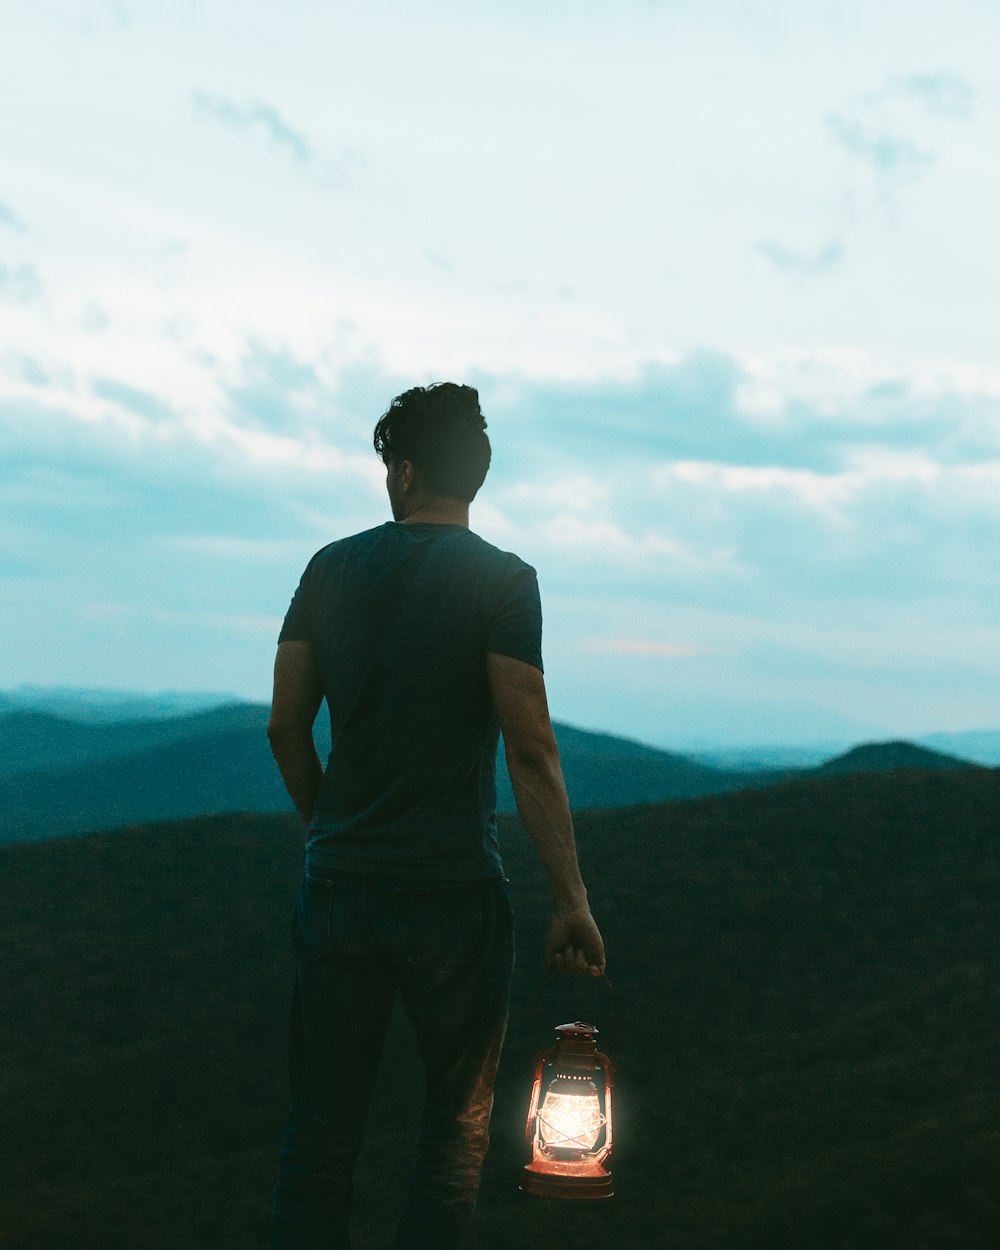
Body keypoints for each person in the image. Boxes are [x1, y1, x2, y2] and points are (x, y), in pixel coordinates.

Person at [267, 382, 606, 1250]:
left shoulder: (329, 567)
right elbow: (530, 748)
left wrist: (327, 828)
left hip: (340, 886)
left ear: (406, 472)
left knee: (320, 1133)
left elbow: (285, 725)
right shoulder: (505, 581)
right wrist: (571, 900)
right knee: (451, 1134)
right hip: (453, 893)